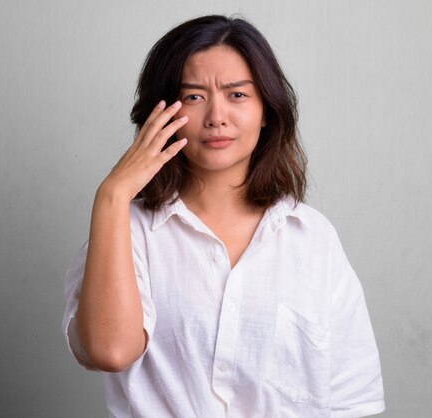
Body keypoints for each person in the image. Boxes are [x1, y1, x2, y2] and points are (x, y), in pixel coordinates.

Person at [62, 14, 385, 417]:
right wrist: (112, 195)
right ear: (160, 114)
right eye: (194, 97)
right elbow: (110, 351)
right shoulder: (129, 232)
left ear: (267, 109)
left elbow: (352, 398)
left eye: (237, 95)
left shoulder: (313, 238)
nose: (216, 116)